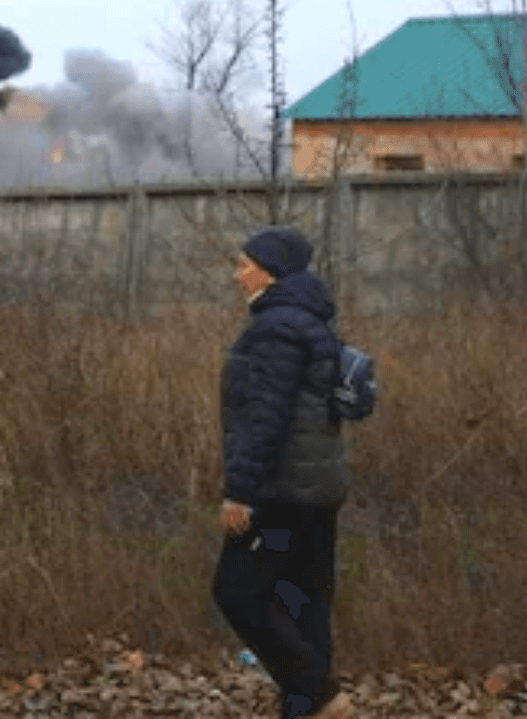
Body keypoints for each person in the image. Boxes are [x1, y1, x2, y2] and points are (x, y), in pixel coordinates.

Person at [213, 226, 355, 719]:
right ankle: (310, 707)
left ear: (270, 271)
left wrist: (240, 493)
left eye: (244, 264)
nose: (238, 274)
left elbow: (264, 418)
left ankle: (321, 696)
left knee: (237, 592)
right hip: (320, 488)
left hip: (283, 489)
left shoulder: (275, 328)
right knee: (302, 604)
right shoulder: (313, 322)